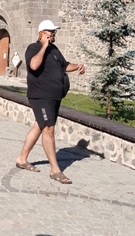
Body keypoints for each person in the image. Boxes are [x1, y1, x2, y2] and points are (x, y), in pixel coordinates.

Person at [15, 19, 86, 183]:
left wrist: (77, 66)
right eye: (50, 31)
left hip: (54, 96)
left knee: (40, 125)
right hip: (41, 96)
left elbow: (64, 65)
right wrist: (44, 46)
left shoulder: (54, 50)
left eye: (54, 31)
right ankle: (55, 170)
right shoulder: (33, 48)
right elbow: (33, 65)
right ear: (41, 33)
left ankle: (22, 158)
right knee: (49, 128)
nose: (53, 33)